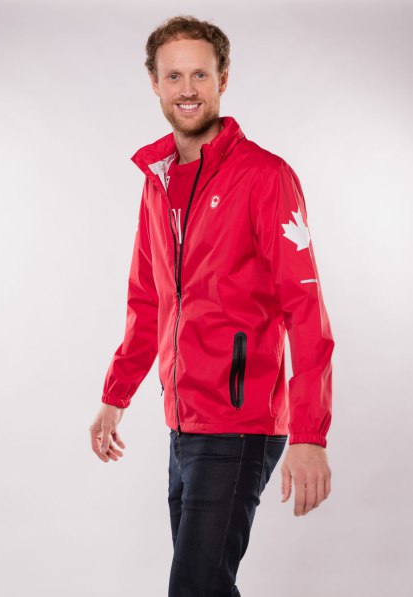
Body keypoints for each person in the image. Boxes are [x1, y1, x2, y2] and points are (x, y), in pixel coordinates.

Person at [90, 15, 335, 596]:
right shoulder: (156, 181)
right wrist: (115, 396)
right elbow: (147, 297)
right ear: (154, 83)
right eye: (174, 76)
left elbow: (305, 309)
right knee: (206, 586)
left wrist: (310, 433)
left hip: (240, 423)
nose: (187, 89)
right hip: (183, 424)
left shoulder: (265, 176)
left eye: (200, 74)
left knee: (195, 587)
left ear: (223, 78)